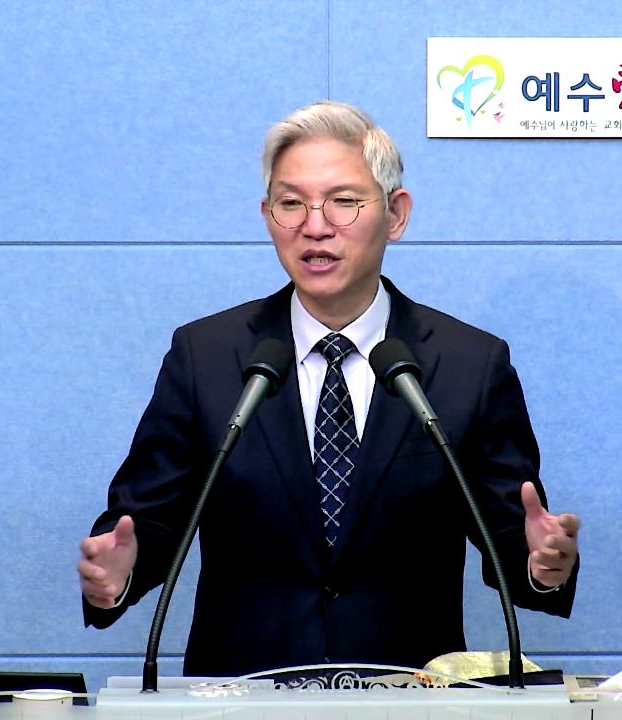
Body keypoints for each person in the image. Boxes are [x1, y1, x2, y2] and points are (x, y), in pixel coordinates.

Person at [77, 101, 580, 677]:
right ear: (267, 215)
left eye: (343, 201)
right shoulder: (206, 356)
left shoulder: (469, 364)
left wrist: (543, 563)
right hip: (239, 698)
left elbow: (512, 536)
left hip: (409, 697)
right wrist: (118, 571)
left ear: (396, 214)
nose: (315, 226)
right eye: (291, 203)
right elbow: (145, 521)